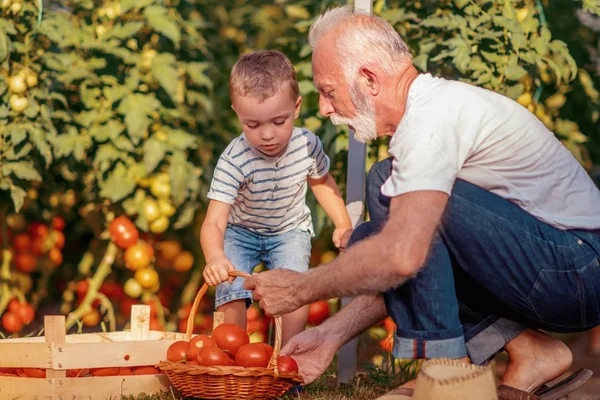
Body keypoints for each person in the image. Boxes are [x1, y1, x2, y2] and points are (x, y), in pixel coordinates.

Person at [243, 6, 600, 399]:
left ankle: (448, 374)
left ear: (369, 79)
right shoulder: (428, 113)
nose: (325, 109)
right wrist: (330, 334)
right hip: (558, 266)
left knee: (388, 194)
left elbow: (402, 256)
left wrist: (300, 290)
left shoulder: (431, 121)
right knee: (371, 238)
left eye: (328, 91)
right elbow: (414, 266)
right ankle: (532, 352)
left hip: (579, 268)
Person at [201, 50, 353, 345]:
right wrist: (215, 256)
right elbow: (215, 221)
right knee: (231, 291)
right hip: (240, 232)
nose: (267, 135)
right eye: (253, 125)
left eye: (278, 121)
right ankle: (234, 357)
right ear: (237, 112)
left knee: (295, 289)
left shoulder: (307, 145)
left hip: (289, 231)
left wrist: (343, 223)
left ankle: (287, 357)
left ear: (296, 107)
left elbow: (321, 181)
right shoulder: (234, 159)